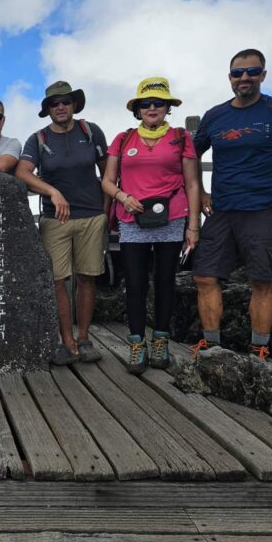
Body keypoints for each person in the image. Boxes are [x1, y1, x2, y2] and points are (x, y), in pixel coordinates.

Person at [191, 49, 272, 361]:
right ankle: (211, 345)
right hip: (221, 210)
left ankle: (259, 346)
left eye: (252, 71)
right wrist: (202, 192)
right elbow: (191, 155)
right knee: (204, 277)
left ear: (263, 74)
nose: (244, 78)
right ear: (230, 77)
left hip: (263, 207)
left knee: (262, 279)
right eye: (238, 73)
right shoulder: (215, 116)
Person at [101, 78, 200, 373]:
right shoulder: (123, 138)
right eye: (146, 103)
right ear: (137, 109)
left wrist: (193, 226)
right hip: (132, 218)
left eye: (158, 102)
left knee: (166, 281)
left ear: (168, 107)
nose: (152, 108)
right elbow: (106, 181)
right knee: (134, 282)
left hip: (172, 217)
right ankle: (136, 343)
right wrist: (123, 197)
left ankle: (160, 340)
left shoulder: (181, 137)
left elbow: (193, 183)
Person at [16, 81, 109, 365]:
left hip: (92, 215)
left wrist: (106, 212)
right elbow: (22, 172)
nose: (60, 107)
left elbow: (107, 175)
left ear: (74, 105)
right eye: (54, 104)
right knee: (58, 281)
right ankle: (66, 341)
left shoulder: (91, 131)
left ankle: (84, 338)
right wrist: (52, 191)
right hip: (54, 219)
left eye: (65, 102)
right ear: (47, 110)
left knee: (87, 278)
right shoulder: (38, 139)